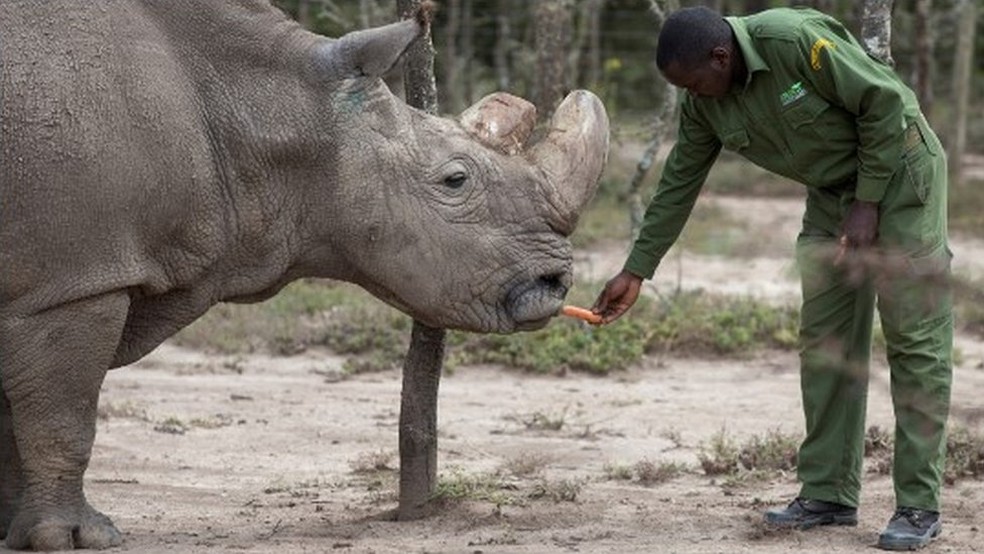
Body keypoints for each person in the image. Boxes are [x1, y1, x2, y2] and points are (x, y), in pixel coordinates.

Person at [591, 5, 951, 552]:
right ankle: (829, 493)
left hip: (901, 176)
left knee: (914, 340)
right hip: (832, 196)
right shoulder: (704, 103)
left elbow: (886, 101)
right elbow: (679, 182)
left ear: (721, 56)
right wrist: (636, 270)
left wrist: (869, 202)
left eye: (694, 83)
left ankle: (919, 505)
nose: (693, 96)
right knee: (826, 342)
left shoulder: (792, 40)